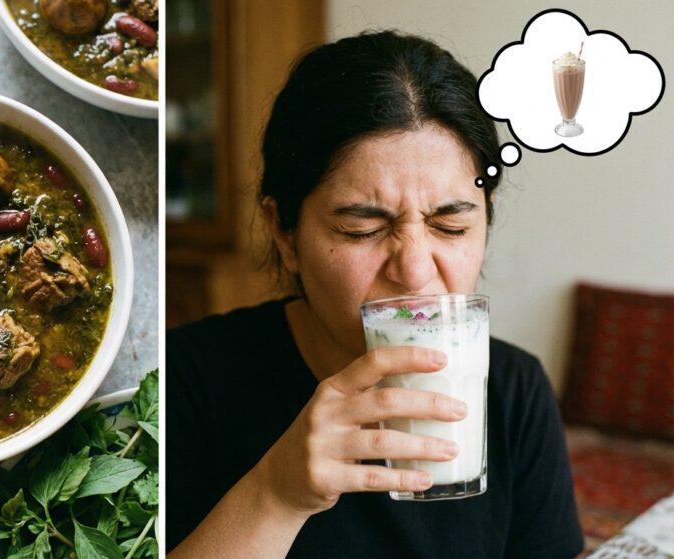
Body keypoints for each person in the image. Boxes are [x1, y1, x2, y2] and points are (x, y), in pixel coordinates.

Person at [166, 31, 584, 558]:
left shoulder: (514, 390)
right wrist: (276, 494)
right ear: (284, 234)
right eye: (362, 229)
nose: (413, 271)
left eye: (451, 226)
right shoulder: (185, 379)